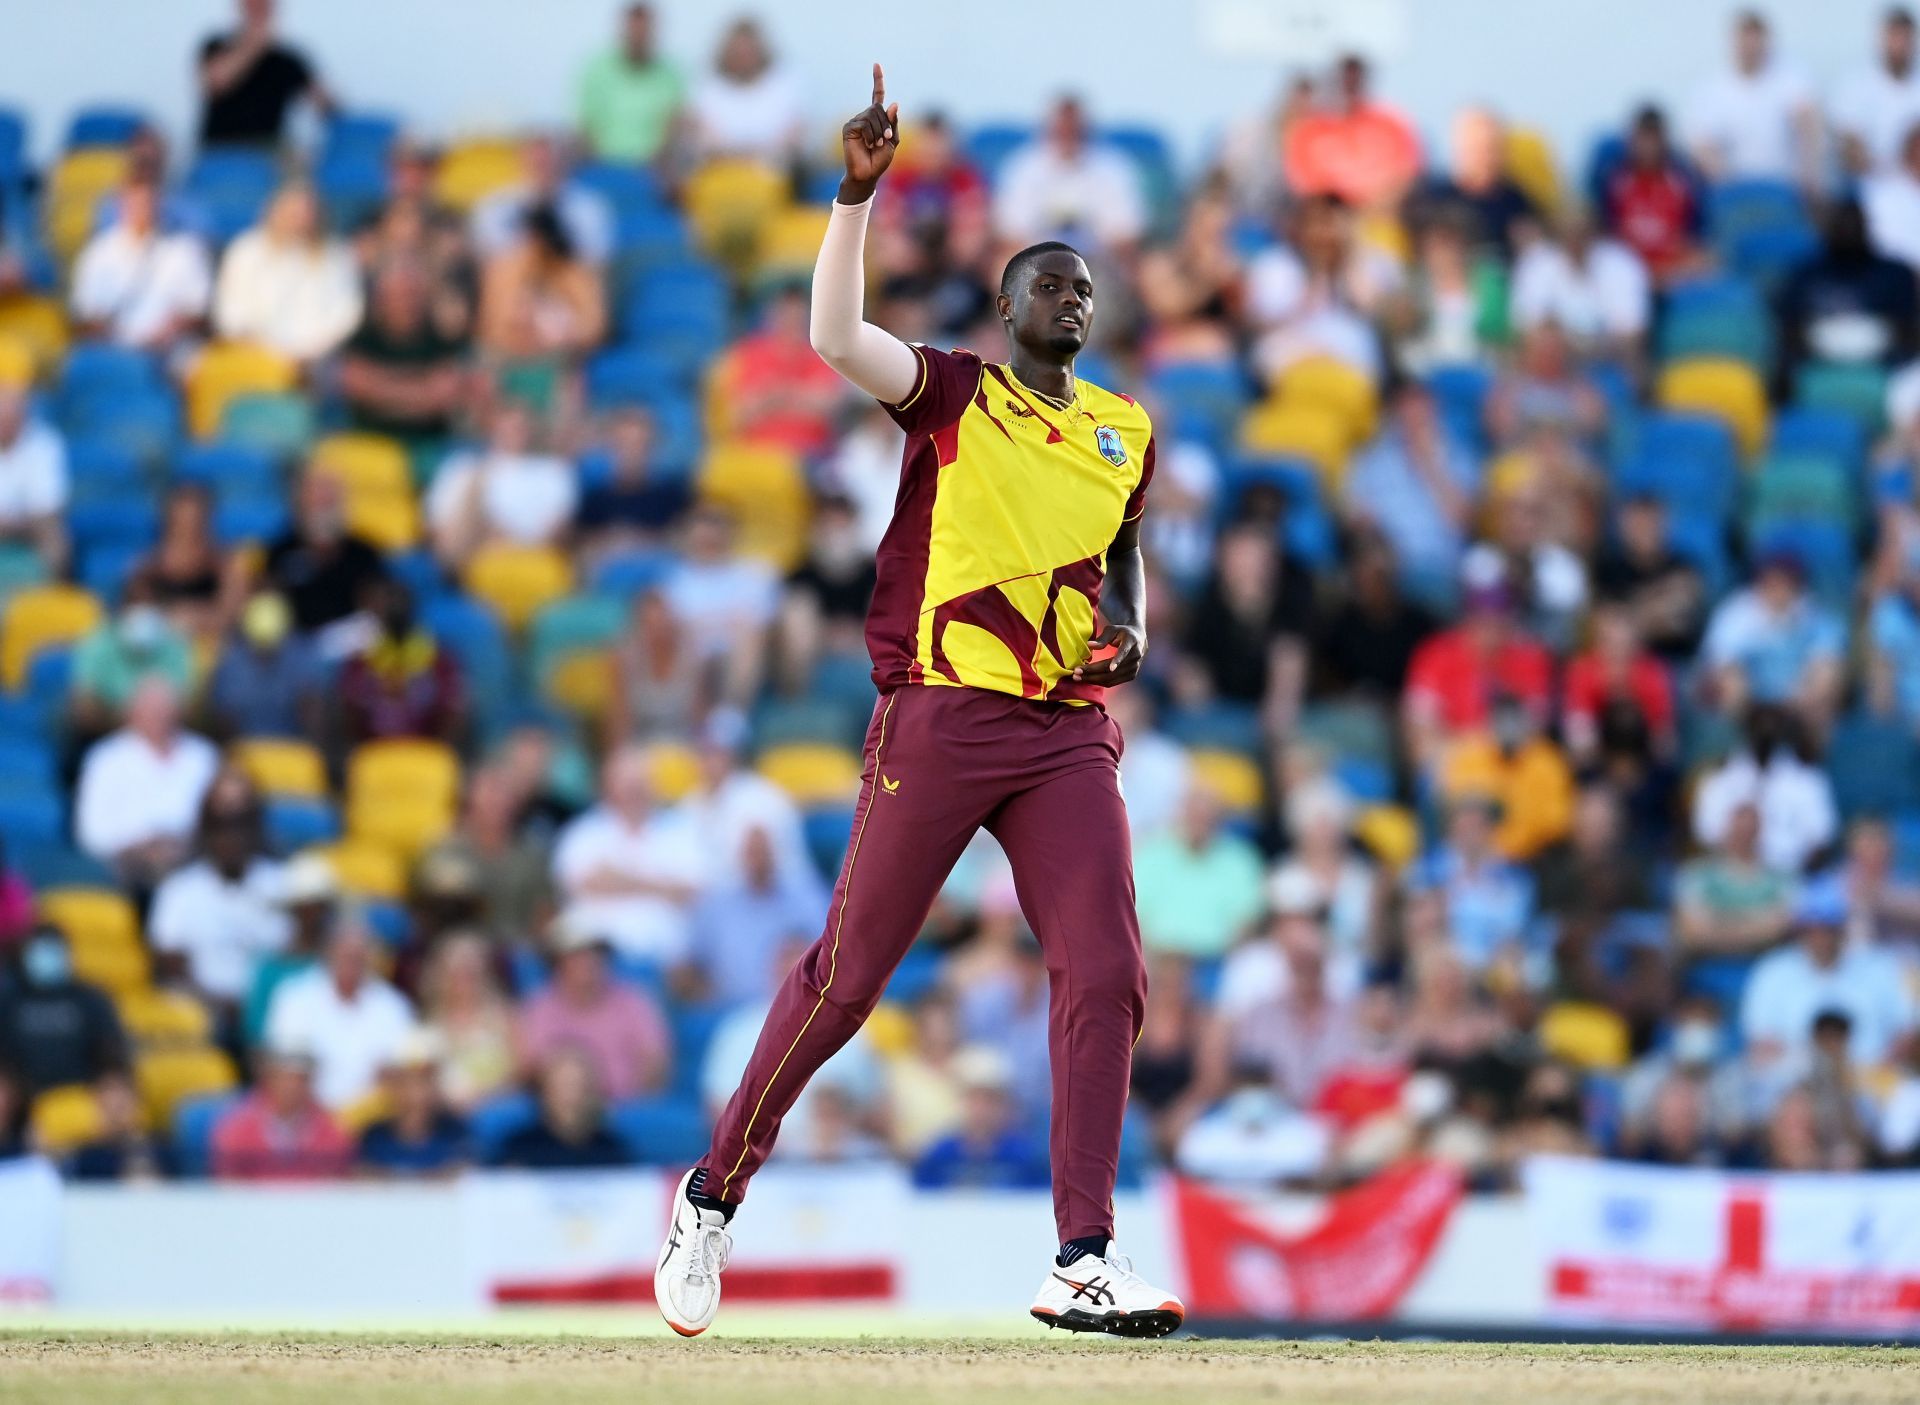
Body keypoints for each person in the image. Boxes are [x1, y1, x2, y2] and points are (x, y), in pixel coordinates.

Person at [656, 68, 1183, 1341]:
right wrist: (854, 195)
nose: (1077, 297)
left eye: (1089, 287)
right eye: (1052, 282)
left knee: (1106, 968)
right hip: (944, 711)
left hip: (1062, 732)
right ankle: (712, 1197)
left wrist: (1134, 622)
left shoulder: (1127, 429)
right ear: (1007, 307)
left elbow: (1125, 549)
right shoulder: (955, 394)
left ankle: (1083, 1255)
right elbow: (837, 336)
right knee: (848, 981)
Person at [147, 780, 288, 1024]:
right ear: (208, 832)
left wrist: (257, 1004)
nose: (232, 837)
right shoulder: (179, 890)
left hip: (270, 1013)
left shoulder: (283, 885)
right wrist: (218, 1005)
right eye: (222, 827)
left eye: (240, 825)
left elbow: (295, 960)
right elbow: (172, 968)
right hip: (203, 1011)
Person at [551, 745, 706, 963]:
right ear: (609, 788)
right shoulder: (583, 834)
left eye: (639, 784)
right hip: (600, 959)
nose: (634, 793)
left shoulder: (681, 830)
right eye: (627, 786)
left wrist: (619, 879)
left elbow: (693, 891)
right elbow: (582, 883)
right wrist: (661, 887)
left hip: (666, 959)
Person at [74, 678, 220, 888]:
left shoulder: (204, 756)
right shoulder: (104, 758)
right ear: (131, 713)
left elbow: (219, 819)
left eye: (164, 709)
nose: (159, 717)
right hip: (125, 870)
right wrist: (143, 845)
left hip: (193, 863)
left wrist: (179, 844)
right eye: (150, 710)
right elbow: (90, 832)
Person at [263, 914, 416, 1111]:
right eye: (345, 954)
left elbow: (398, 1070)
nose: (352, 961)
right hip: (308, 1116)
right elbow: (285, 1066)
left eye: (359, 955)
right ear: (329, 952)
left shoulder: (394, 1006)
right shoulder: (294, 998)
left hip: (374, 1118)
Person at [515, 916, 671, 1101]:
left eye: (595, 953)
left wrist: (635, 1102)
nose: (588, 962)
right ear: (557, 962)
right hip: (563, 1112)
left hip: (625, 1108)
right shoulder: (540, 1007)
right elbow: (533, 1069)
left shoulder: (632, 1000)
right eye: (577, 955)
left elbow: (655, 1060)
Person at [214, 183, 363, 361]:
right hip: (252, 352)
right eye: (293, 210)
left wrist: (307, 354)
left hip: (317, 358)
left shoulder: (337, 255)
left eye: (306, 211)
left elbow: (346, 316)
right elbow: (230, 312)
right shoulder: (245, 250)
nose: (299, 217)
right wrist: (260, 348)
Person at [69, 167, 212, 353]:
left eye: (147, 202)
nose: (141, 209)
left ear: (159, 204)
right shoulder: (98, 253)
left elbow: (197, 309)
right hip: (112, 349)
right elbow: (85, 313)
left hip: (168, 351)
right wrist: (116, 339)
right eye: (134, 202)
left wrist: (167, 333)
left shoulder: (183, 250)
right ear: (121, 204)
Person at [992, 95, 1148, 256]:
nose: (1068, 137)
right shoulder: (1023, 167)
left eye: (1074, 131)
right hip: (1035, 261)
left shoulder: (1113, 167)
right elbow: (1009, 233)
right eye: (1062, 131)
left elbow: (1127, 234)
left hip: (1099, 261)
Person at [1684, 9, 1822, 187]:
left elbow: (1809, 125)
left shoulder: (1791, 78)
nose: (1751, 45)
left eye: (1756, 37)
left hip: (1787, 186)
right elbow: (1701, 145)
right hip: (1735, 187)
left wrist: (1809, 173)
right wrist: (1729, 182)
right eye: (1745, 37)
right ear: (1734, 41)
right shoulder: (1712, 90)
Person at [338, 258, 470, 443]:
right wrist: (421, 391)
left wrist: (379, 388)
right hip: (370, 443)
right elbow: (356, 385)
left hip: (430, 443)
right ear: (382, 297)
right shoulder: (363, 337)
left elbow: (442, 395)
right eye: (399, 294)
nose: (407, 301)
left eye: (413, 293)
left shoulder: (441, 338)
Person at [1133, 780, 1266, 960]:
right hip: (1156, 958)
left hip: (1218, 961)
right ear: (1181, 815)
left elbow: (1247, 921)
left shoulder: (1241, 860)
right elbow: (1134, 914)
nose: (1200, 823)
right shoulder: (1151, 854)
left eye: (1207, 817)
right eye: (1194, 815)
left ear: (1220, 821)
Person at [260, 469, 389, 645]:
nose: (322, 510)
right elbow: (269, 600)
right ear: (299, 504)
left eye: (329, 502)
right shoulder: (280, 551)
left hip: (349, 642)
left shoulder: (363, 553)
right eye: (315, 501)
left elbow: (377, 605)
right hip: (296, 643)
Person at [1508, 206, 1651, 364]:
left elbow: (1632, 335)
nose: (1574, 241)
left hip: (1607, 363)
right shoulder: (1536, 264)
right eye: (1566, 234)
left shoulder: (1621, 263)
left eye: (1581, 233)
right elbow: (1527, 329)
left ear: (1593, 233)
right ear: (1556, 234)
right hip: (1552, 366)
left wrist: (1584, 346)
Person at [716, 283, 845, 457]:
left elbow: (826, 412)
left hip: (808, 453)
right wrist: (799, 397)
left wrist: (774, 395)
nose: (790, 319)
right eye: (785, 312)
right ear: (772, 315)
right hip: (758, 452)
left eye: (796, 313)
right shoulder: (749, 354)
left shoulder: (822, 356)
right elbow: (740, 415)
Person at [336, 579, 465, 749]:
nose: (397, 611)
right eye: (391, 606)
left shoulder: (439, 659)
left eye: (402, 605)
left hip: (424, 752)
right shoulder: (361, 661)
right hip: (374, 752)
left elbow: (452, 709)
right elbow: (349, 710)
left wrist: (439, 748)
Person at [0, 926, 130, 1095]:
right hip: (20, 1098)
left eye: (52, 950)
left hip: (82, 1098)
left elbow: (111, 1052)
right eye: (39, 950)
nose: (46, 957)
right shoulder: (9, 1000)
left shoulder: (90, 999)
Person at [68, 577, 197, 737]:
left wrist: (153, 720)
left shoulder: (176, 641)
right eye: (135, 604)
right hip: (106, 733)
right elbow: (84, 707)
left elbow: (187, 708)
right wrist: (127, 720)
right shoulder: (97, 641)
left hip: (166, 734)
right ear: (121, 608)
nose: (142, 612)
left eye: (150, 605)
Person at [196, 0, 333, 148]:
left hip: (269, 149)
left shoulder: (287, 60)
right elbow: (217, 81)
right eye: (253, 5)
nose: (258, 9)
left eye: (263, 5)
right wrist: (255, 43)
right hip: (221, 149)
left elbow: (325, 104)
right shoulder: (217, 45)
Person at [910, 1046, 1048, 1190]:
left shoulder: (1026, 1157)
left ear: (1004, 1105)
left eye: (990, 1100)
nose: (981, 1109)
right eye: (974, 1099)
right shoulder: (939, 1156)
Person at [211, 1045, 353, 1180]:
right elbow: (228, 1181)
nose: (292, 1087)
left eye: (301, 1080)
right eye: (285, 1078)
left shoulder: (332, 1130)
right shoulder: (237, 1129)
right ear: (269, 1080)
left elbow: (334, 1182)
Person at [1599, 105, 1705, 284]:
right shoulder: (1615, 183)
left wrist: (1667, 271)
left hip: (1672, 273)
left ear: (1664, 140)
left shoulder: (1683, 183)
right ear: (1631, 140)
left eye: (1654, 138)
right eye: (1643, 138)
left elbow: (1695, 239)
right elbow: (1608, 239)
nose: (1648, 146)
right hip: (1627, 275)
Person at [687, 17, 806, 167]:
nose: (743, 57)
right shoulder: (708, 87)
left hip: (774, 171)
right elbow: (704, 140)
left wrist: (760, 155)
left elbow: (793, 137)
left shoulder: (785, 84)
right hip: (719, 169)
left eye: (749, 51)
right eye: (738, 51)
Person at [577, 3, 686, 167]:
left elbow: (673, 125)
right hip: (605, 163)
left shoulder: (669, 75)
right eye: (634, 31)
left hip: (652, 168)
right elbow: (586, 125)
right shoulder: (597, 71)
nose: (638, 38)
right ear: (623, 32)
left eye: (643, 32)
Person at [204, 590, 324, 740]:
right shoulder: (230, 664)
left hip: (292, 747)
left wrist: (309, 746)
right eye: (260, 645)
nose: (265, 652)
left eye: (271, 645)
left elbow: (312, 712)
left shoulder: (301, 656)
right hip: (246, 749)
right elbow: (224, 721)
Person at [355, 1033, 471, 1178]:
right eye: (405, 1082)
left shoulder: (456, 1134)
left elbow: (462, 1175)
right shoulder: (374, 1137)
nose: (415, 1092)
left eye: (424, 1080)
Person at [1834, 5, 1920, 175]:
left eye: (1905, 38)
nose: (1899, 45)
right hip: (1869, 179)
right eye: (1894, 37)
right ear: (1882, 39)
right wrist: (1864, 160)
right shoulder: (1855, 82)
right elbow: (1847, 138)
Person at [0, 384, 68, 576]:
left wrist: (10, 525)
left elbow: (45, 511)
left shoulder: (45, 444)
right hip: (16, 522)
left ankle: (43, 597)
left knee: (54, 535)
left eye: (10, 418)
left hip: (28, 532)